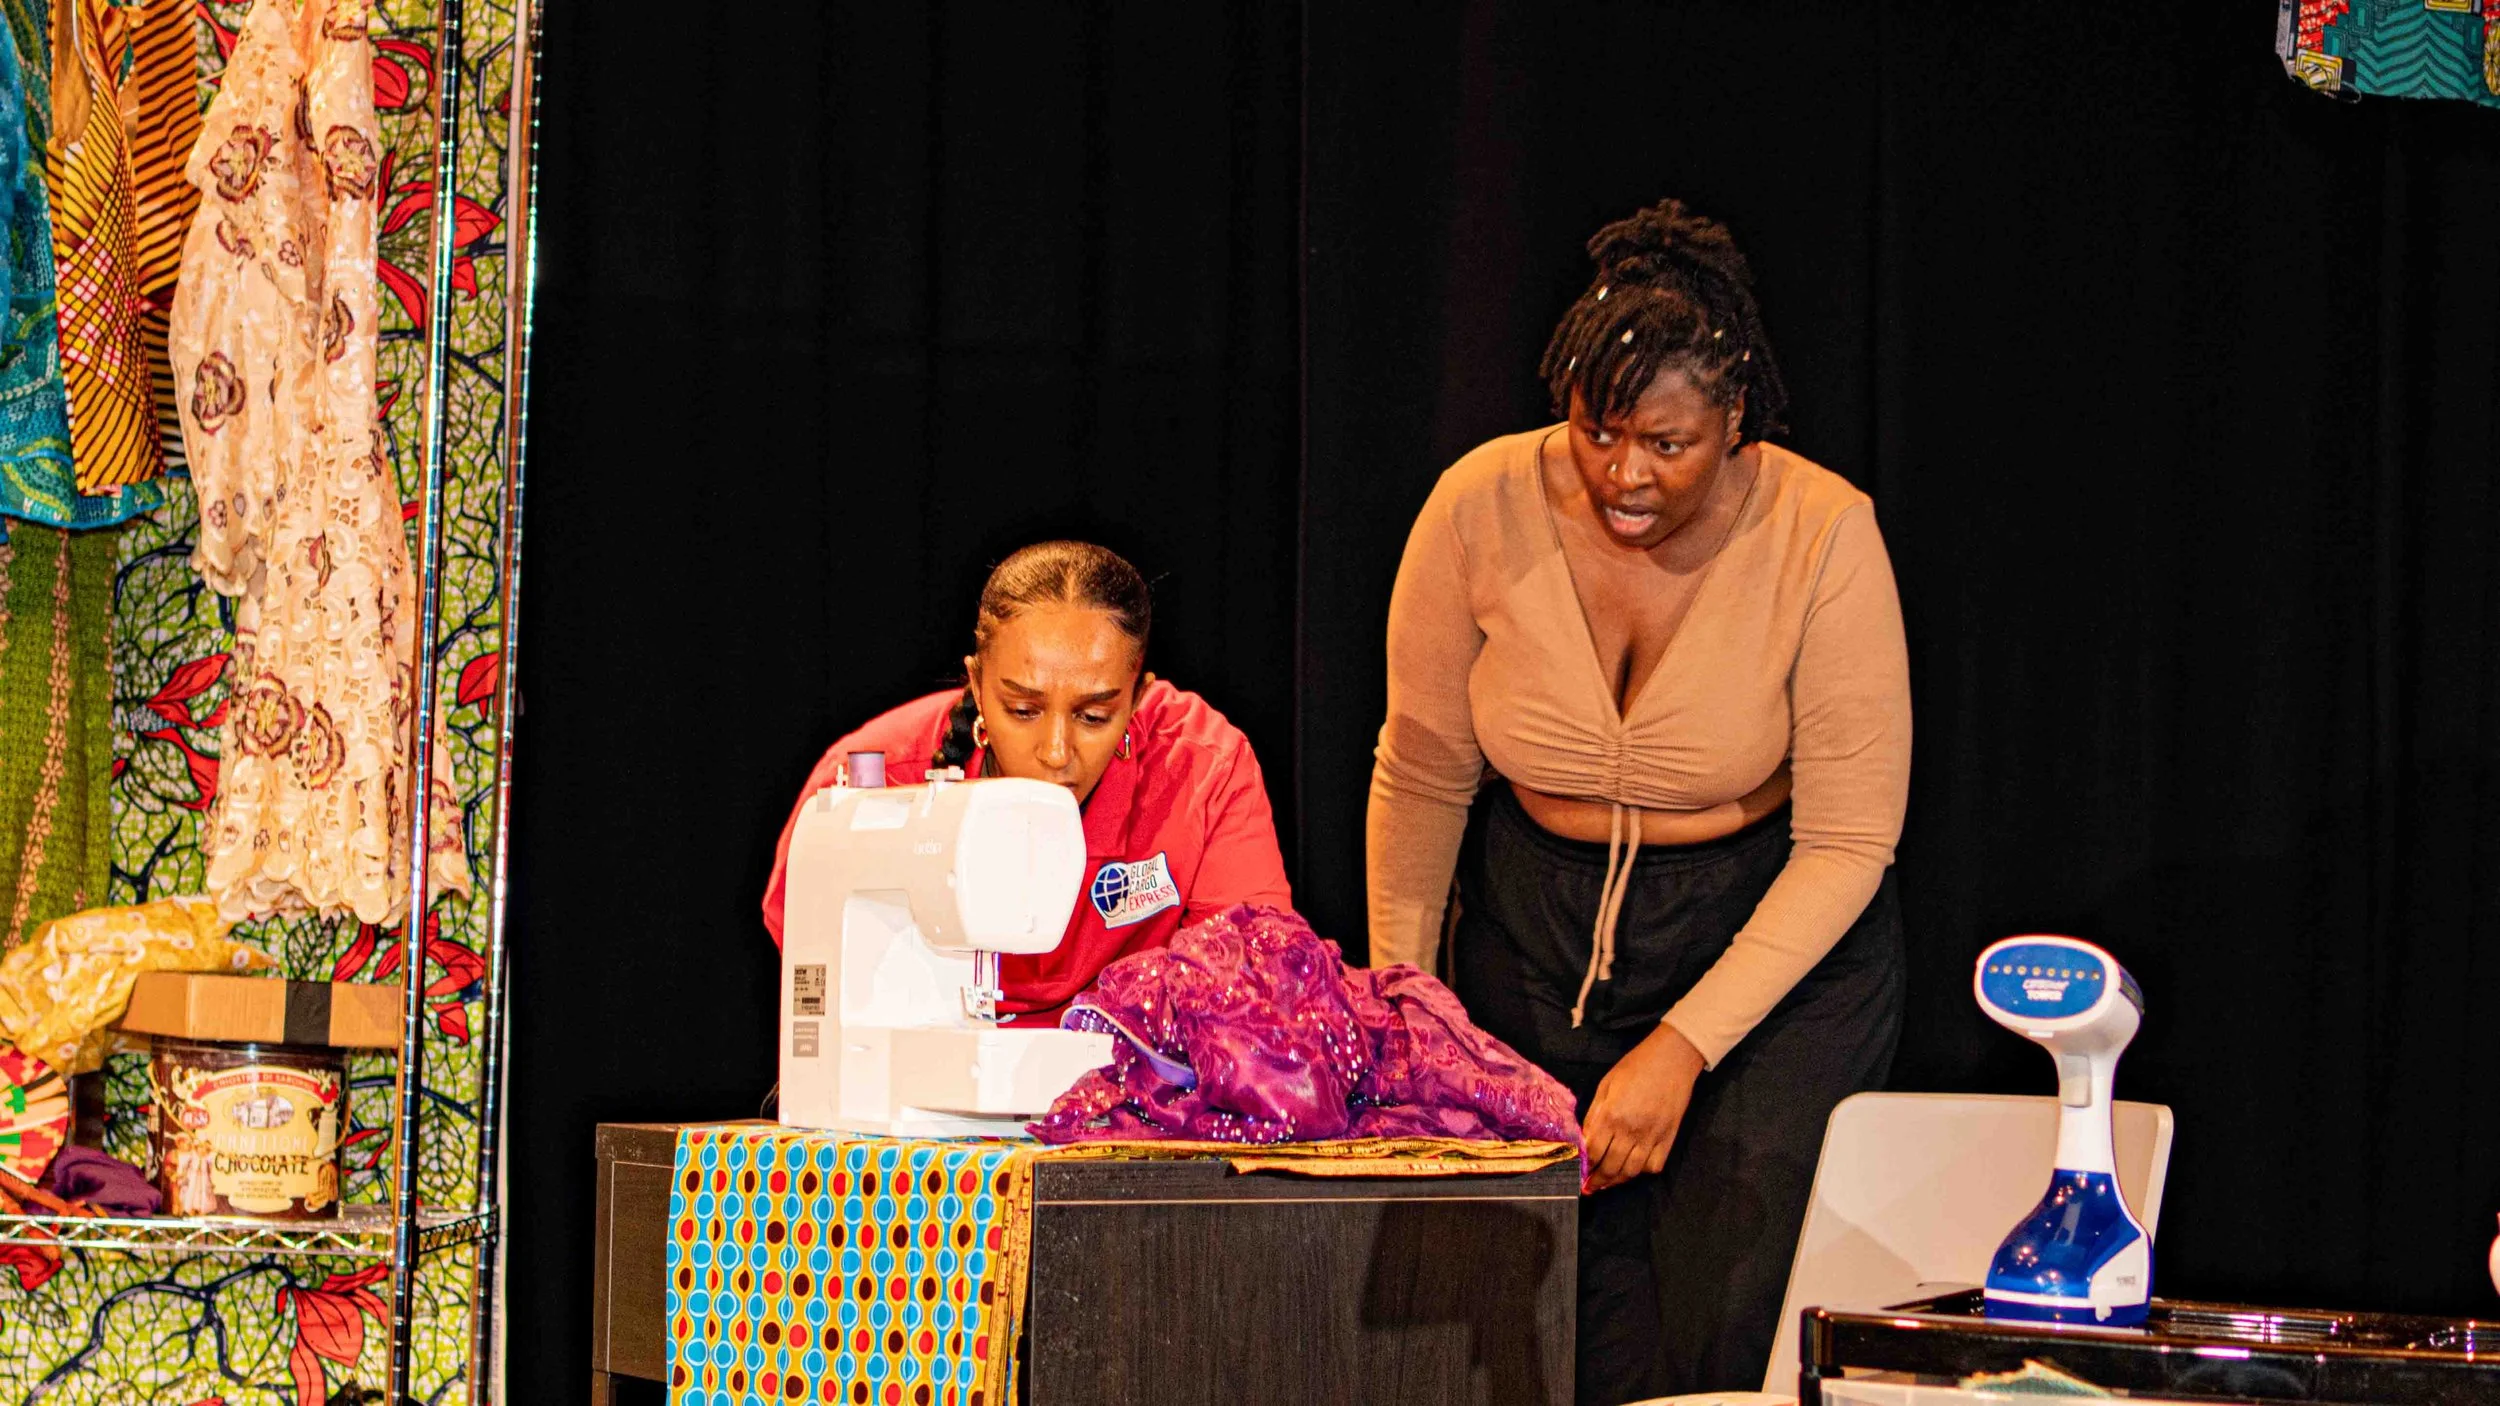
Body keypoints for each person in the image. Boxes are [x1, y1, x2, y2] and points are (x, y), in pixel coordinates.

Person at [1367, 199, 1911, 1402]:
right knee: (1533, 1307)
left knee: (1720, 1301)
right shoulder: (1478, 500)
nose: (1622, 473)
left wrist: (1680, 1046)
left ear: (1736, 418)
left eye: (1666, 443)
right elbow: (1420, 768)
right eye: (1596, 431)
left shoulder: (1824, 533)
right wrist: (1402, 994)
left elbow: (1848, 839)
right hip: (1535, 921)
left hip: (1762, 940)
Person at [763, 540, 1292, 1024]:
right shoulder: (870, 782)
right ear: (976, 683)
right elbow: (819, 966)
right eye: (1021, 709)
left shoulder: (1200, 767)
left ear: (1135, 698)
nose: (1055, 753)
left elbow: (1258, 992)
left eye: (1093, 716)